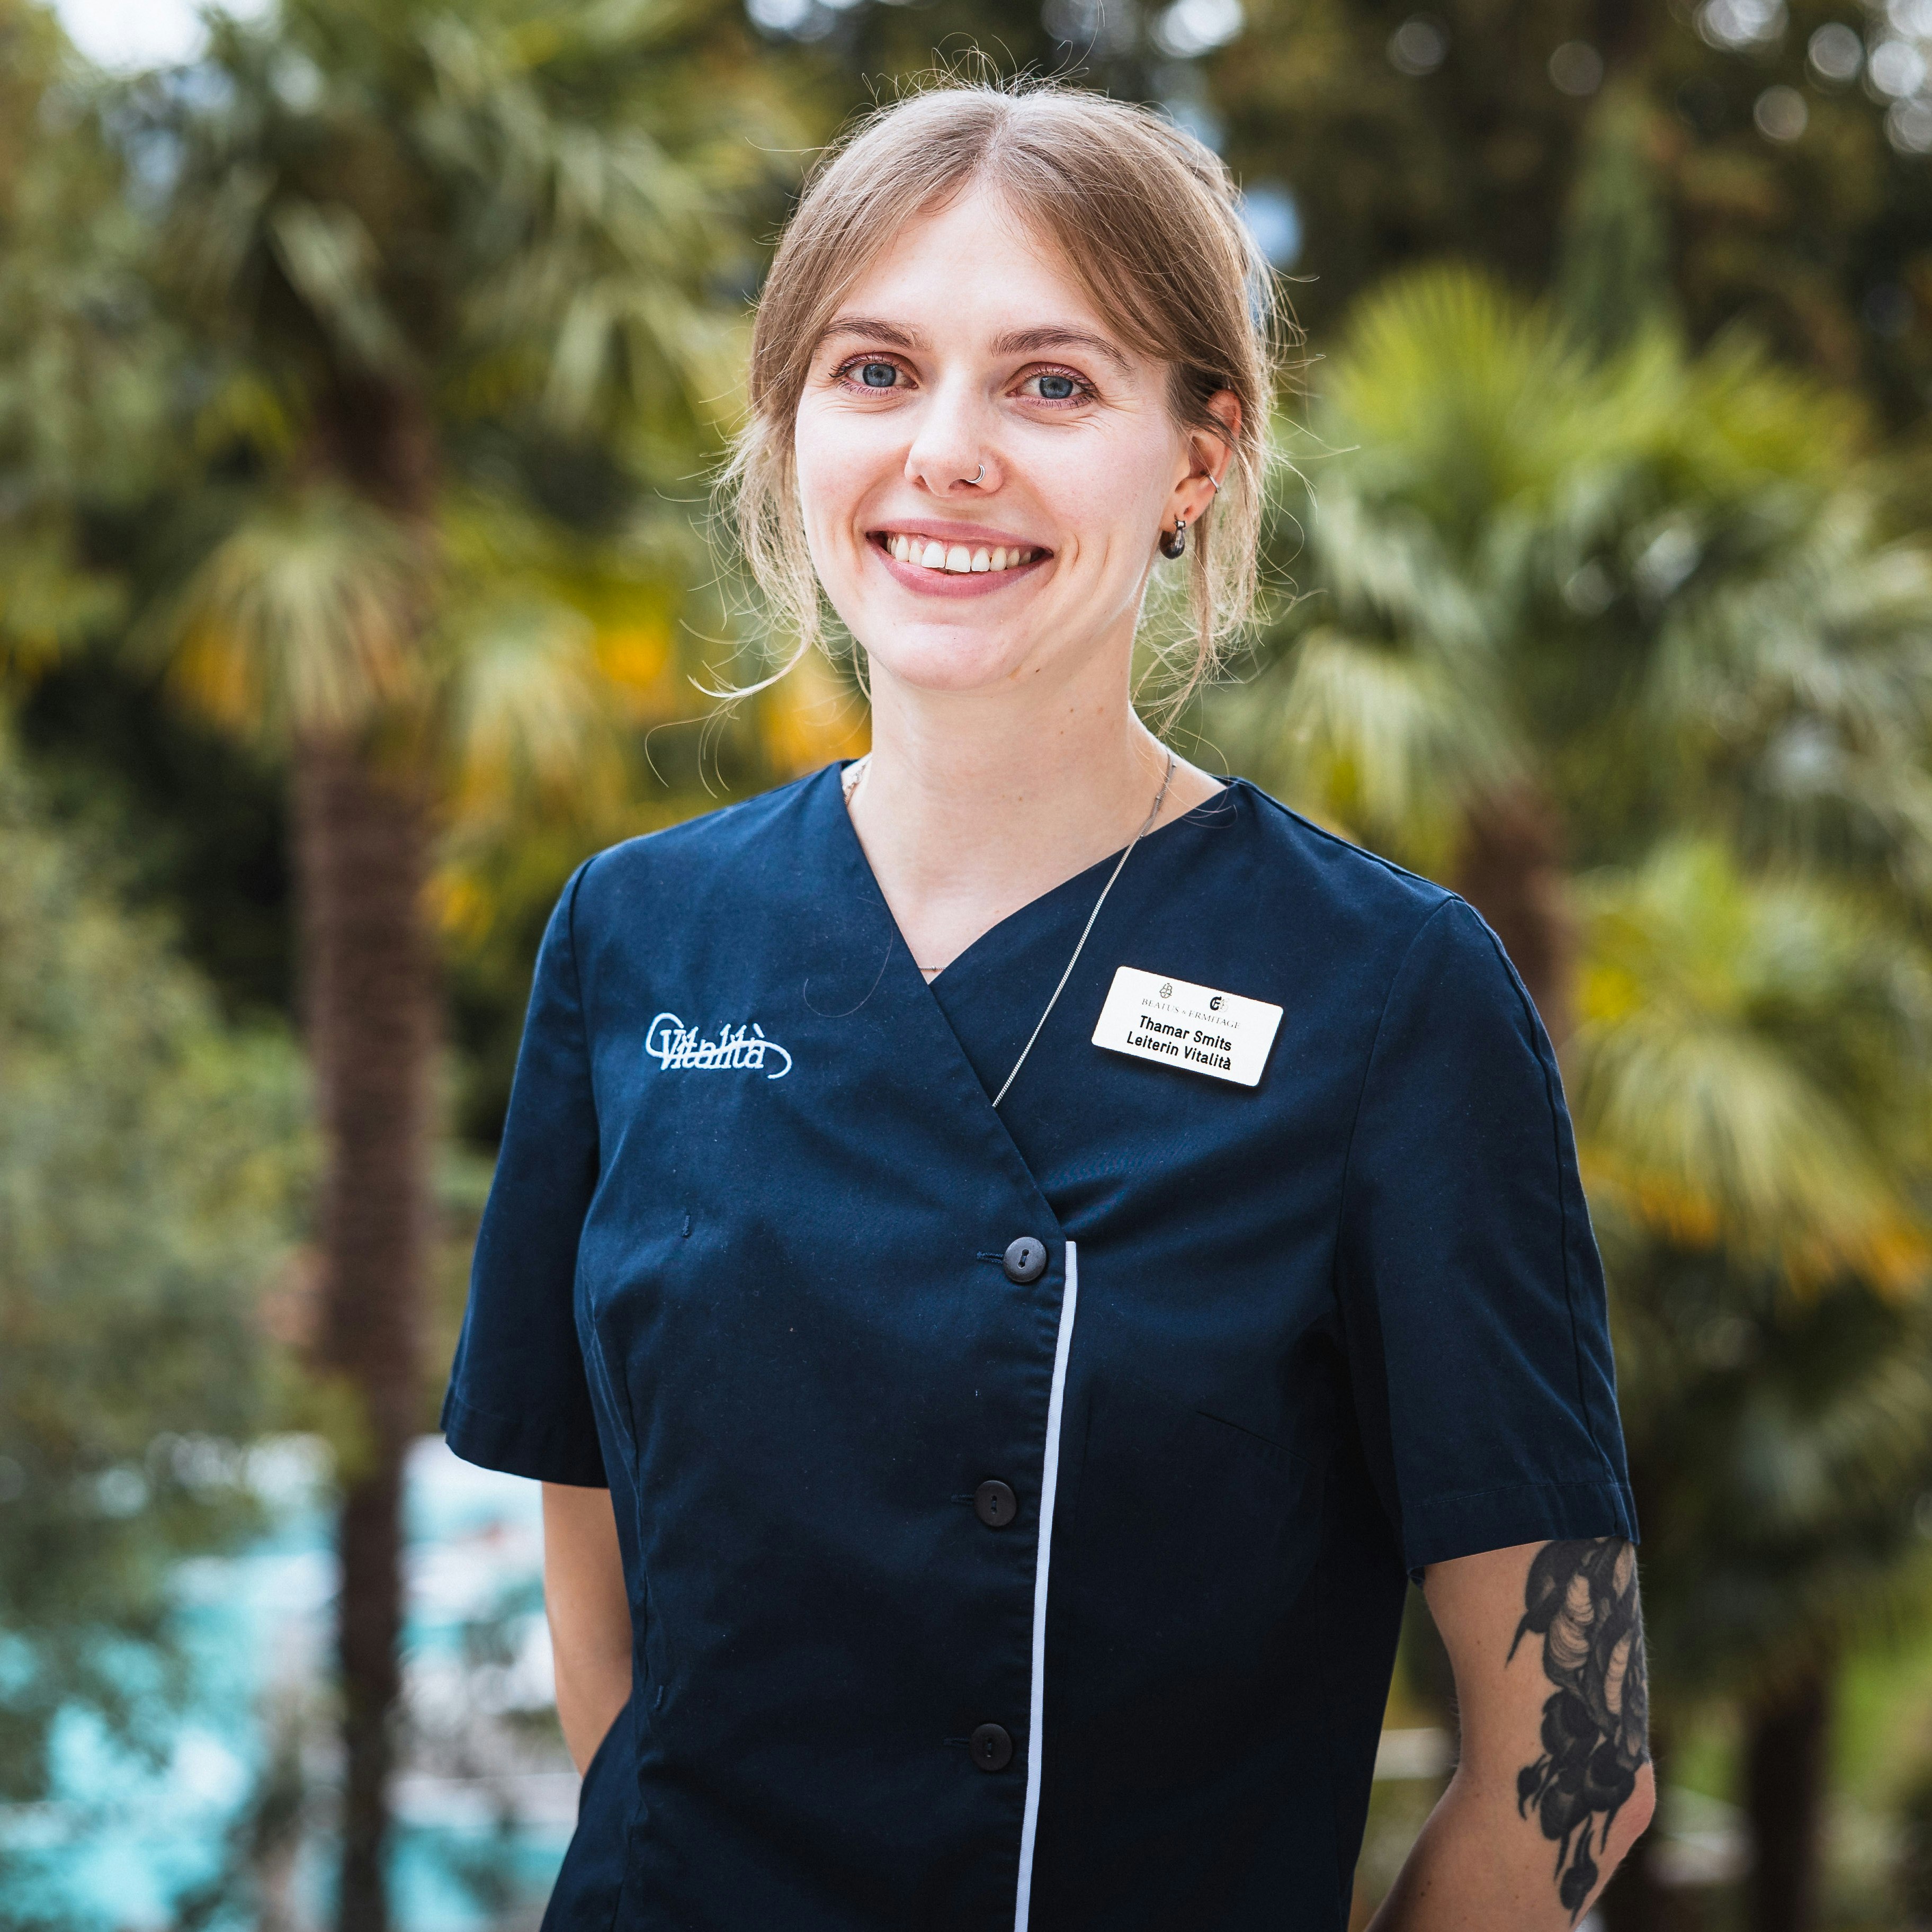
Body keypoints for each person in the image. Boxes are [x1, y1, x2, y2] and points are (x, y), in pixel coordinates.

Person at [441, 80, 1653, 1931]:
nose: (948, 454)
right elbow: (620, 1656)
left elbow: (1577, 1760)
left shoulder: (1390, 997)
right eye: (873, 371)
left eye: (1053, 384)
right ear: (786, 432)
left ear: (1198, 459)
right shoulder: (638, 938)